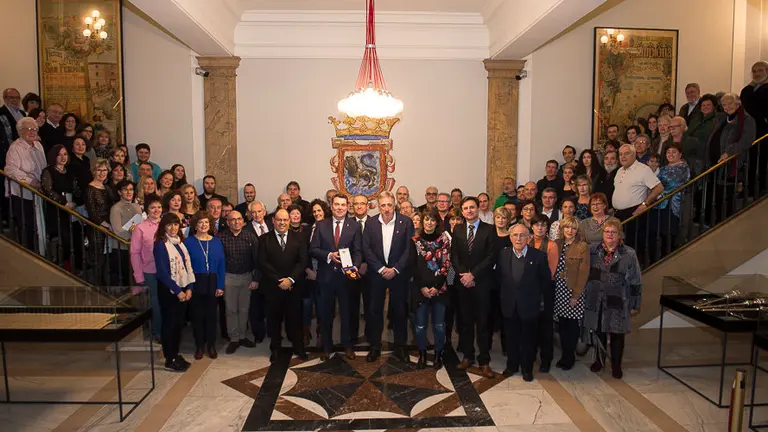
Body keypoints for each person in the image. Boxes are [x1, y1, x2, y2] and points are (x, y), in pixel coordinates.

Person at [583, 219, 642, 379]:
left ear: (619, 235)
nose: (609, 235)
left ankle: (616, 365)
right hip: (596, 299)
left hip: (617, 299)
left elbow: (636, 280)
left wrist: (635, 303)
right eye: (606, 232)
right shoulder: (592, 250)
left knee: (617, 334)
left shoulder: (628, 253)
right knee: (598, 332)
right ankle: (599, 361)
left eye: (613, 232)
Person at [310, 194, 363, 361]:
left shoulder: (354, 226)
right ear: (331, 207)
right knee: (326, 314)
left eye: (343, 205)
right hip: (326, 277)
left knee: (347, 313)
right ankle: (327, 347)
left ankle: (347, 346)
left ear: (348, 207)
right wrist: (328, 255)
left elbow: (358, 251)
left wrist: (354, 265)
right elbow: (313, 249)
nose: (340, 208)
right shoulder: (320, 225)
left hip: (346, 278)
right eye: (336, 205)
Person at [363, 191, 414, 362]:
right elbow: (366, 248)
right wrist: (380, 268)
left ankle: (400, 347)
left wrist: (396, 269)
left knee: (400, 311)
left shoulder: (406, 222)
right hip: (377, 275)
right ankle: (375, 346)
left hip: (398, 275)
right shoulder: (370, 223)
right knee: (374, 311)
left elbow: (409, 249)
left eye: (389, 205)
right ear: (378, 206)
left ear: (394, 205)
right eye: (383, 205)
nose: (386, 209)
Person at [497, 224, 552, 382]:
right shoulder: (503, 254)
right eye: (515, 235)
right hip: (509, 305)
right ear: (510, 237)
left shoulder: (539, 256)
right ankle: (511, 366)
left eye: (522, 235)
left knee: (528, 340)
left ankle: (527, 369)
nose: (518, 238)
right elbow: (500, 278)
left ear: (529, 238)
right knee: (511, 338)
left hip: (529, 306)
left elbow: (546, 282)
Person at [452, 197, 497, 378]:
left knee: (483, 323)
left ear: (478, 209)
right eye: (465, 208)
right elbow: (454, 255)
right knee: (465, 322)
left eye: (472, 207)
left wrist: (474, 275)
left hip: (482, 283)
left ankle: (484, 360)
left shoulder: (489, 230)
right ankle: (468, 357)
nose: (469, 211)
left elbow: (491, 256)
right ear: (462, 211)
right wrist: (464, 275)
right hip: (463, 284)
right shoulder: (458, 229)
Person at [259, 208, 309, 362]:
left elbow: (303, 261)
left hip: (293, 287)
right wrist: (278, 280)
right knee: (273, 320)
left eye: (285, 220)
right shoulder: (264, 239)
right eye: (279, 220)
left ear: (289, 221)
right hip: (273, 287)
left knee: (295, 319)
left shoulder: (299, 238)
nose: (282, 223)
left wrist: (290, 279)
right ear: (273, 221)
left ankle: (298, 347)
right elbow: (262, 262)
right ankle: (275, 348)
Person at [153, 213, 195, 372]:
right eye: (169, 225)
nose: (173, 228)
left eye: (176, 225)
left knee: (178, 325)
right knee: (169, 324)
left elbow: (186, 267)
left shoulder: (180, 243)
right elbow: (162, 273)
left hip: (182, 288)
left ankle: (176, 353)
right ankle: (169, 358)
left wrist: (189, 288)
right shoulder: (160, 245)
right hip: (169, 290)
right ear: (164, 226)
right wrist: (178, 291)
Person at [410, 207, 452, 369]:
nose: (429, 223)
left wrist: (436, 286)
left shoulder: (444, 240)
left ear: (437, 222)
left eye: (432, 220)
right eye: (426, 219)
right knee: (420, 326)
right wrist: (422, 287)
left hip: (439, 290)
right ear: (422, 222)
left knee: (439, 325)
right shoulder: (415, 240)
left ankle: (438, 354)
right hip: (420, 290)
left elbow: (447, 265)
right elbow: (413, 266)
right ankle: (422, 353)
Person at [185, 211, 225, 360]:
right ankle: (200, 346)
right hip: (195, 281)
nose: (203, 225)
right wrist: (188, 286)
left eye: (206, 222)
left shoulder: (216, 241)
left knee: (211, 316)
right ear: (195, 225)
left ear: (210, 225)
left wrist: (220, 285)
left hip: (213, 281)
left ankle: (211, 346)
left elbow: (221, 264)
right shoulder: (188, 242)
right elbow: (186, 267)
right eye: (200, 223)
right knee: (197, 316)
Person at [219, 210, 261, 354]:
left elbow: (258, 260)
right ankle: (234, 338)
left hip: (247, 277)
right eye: (233, 220)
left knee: (244, 309)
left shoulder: (250, 237)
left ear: (243, 221)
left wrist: (256, 279)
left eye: (239, 219)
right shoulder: (221, 238)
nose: (236, 222)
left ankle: (242, 336)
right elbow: (219, 262)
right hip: (228, 277)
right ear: (227, 222)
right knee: (231, 310)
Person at [553, 216, 589, 370]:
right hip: (558, 289)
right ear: (562, 229)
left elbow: (583, 273)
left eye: (573, 228)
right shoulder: (557, 244)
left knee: (572, 326)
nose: (570, 230)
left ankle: (569, 356)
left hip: (572, 290)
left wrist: (576, 295)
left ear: (577, 230)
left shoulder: (582, 247)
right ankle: (565, 354)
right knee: (562, 325)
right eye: (567, 227)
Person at [5, 117, 46, 250]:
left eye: (34, 129)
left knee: (39, 227)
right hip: (22, 194)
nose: (32, 132)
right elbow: (10, 170)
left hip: (38, 194)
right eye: (28, 129)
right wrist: (30, 181)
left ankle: (41, 252)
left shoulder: (38, 145)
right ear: (20, 131)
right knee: (27, 227)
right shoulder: (15, 148)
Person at [612, 144, 663, 249]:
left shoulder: (643, 169)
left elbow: (659, 188)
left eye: (626, 153)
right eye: (621, 154)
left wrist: (645, 204)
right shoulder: (619, 170)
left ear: (634, 154)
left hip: (634, 214)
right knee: (620, 246)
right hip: (618, 215)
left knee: (632, 246)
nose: (623, 156)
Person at [131, 195, 164, 342]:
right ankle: (158, 332)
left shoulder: (167, 224)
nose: (156, 210)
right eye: (152, 207)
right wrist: (138, 275)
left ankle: (169, 330)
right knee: (155, 303)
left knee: (168, 302)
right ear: (147, 210)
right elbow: (135, 252)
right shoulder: (140, 228)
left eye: (158, 207)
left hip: (168, 272)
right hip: (150, 271)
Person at [40, 144, 78, 267]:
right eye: (59, 155)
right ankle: (57, 262)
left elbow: (75, 189)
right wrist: (63, 202)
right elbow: (48, 190)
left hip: (70, 208)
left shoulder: (70, 172)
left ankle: (68, 264)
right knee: (62, 236)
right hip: (56, 208)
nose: (63, 157)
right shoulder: (48, 171)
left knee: (72, 237)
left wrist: (75, 202)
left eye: (65, 154)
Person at [529, 213, 558, 373]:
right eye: (536, 225)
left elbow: (551, 272)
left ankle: (546, 359)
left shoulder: (552, 246)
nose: (539, 228)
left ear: (547, 228)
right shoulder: (527, 241)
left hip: (545, 290)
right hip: (528, 291)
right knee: (530, 326)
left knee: (545, 327)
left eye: (543, 225)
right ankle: (531, 355)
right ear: (532, 227)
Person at [651, 144, 690, 261]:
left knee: (670, 233)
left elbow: (673, 184)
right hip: (659, 205)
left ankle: (669, 258)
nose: (671, 154)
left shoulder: (683, 167)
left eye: (674, 152)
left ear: (680, 154)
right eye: (668, 152)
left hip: (673, 204)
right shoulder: (663, 168)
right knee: (659, 233)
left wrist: (658, 191)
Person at [304, 199, 330, 347]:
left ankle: (321, 332)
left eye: (319, 210)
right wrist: (308, 269)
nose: (316, 213)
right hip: (309, 274)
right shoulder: (307, 230)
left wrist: (319, 272)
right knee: (307, 305)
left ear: (324, 211)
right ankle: (306, 331)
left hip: (324, 274)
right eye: (314, 211)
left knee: (322, 306)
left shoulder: (329, 228)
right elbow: (304, 252)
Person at [85, 159, 114, 283]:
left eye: (104, 170)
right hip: (96, 228)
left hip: (108, 227)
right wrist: (107, 226)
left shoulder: (107, 187)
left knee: (107, 261)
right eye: (99, 170)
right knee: (97, 260)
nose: (102, 173)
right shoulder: (90, 189)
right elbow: (92, 213)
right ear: (93, 171)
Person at [741, 61, 768, 193]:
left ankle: (760, 187)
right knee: (750, 161)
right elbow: (745, 101)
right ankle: (750, 187)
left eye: (760, 70)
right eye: (754, 71)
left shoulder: (764, 89)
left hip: (763, 131)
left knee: (761, 161)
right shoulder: (750, 89)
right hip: (750, 130)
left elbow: (753, 103)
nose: (756, 74)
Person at [109, 180, 141, 284]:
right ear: (119, 192)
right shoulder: (116, 208)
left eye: (131, 189)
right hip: (121, 248)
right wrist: (133, 234)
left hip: (136, 247)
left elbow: (140, 225)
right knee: (125, 279)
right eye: (125, 189)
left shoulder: (136, 207)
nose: (128, 192)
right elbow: (118, 231)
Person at [350, 194, 370, 343]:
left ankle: (371, 335)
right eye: (356, 204)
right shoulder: (348, 224)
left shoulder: (375, 223)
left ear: (367, 206)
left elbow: (378, 248)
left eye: (362, 204)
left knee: (371, 307)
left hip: (371, 271)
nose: (359, 206)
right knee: (352, 306)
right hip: (351, 271)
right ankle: (352, 336)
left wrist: (367, 264)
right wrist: (354, 265)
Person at [686, 94, 720, 161]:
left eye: (708, 105)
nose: (705, 107)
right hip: (691, 154)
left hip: (706, 155)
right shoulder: (695, 120)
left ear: (714, 106)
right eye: (703, 105)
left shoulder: (717, 120)